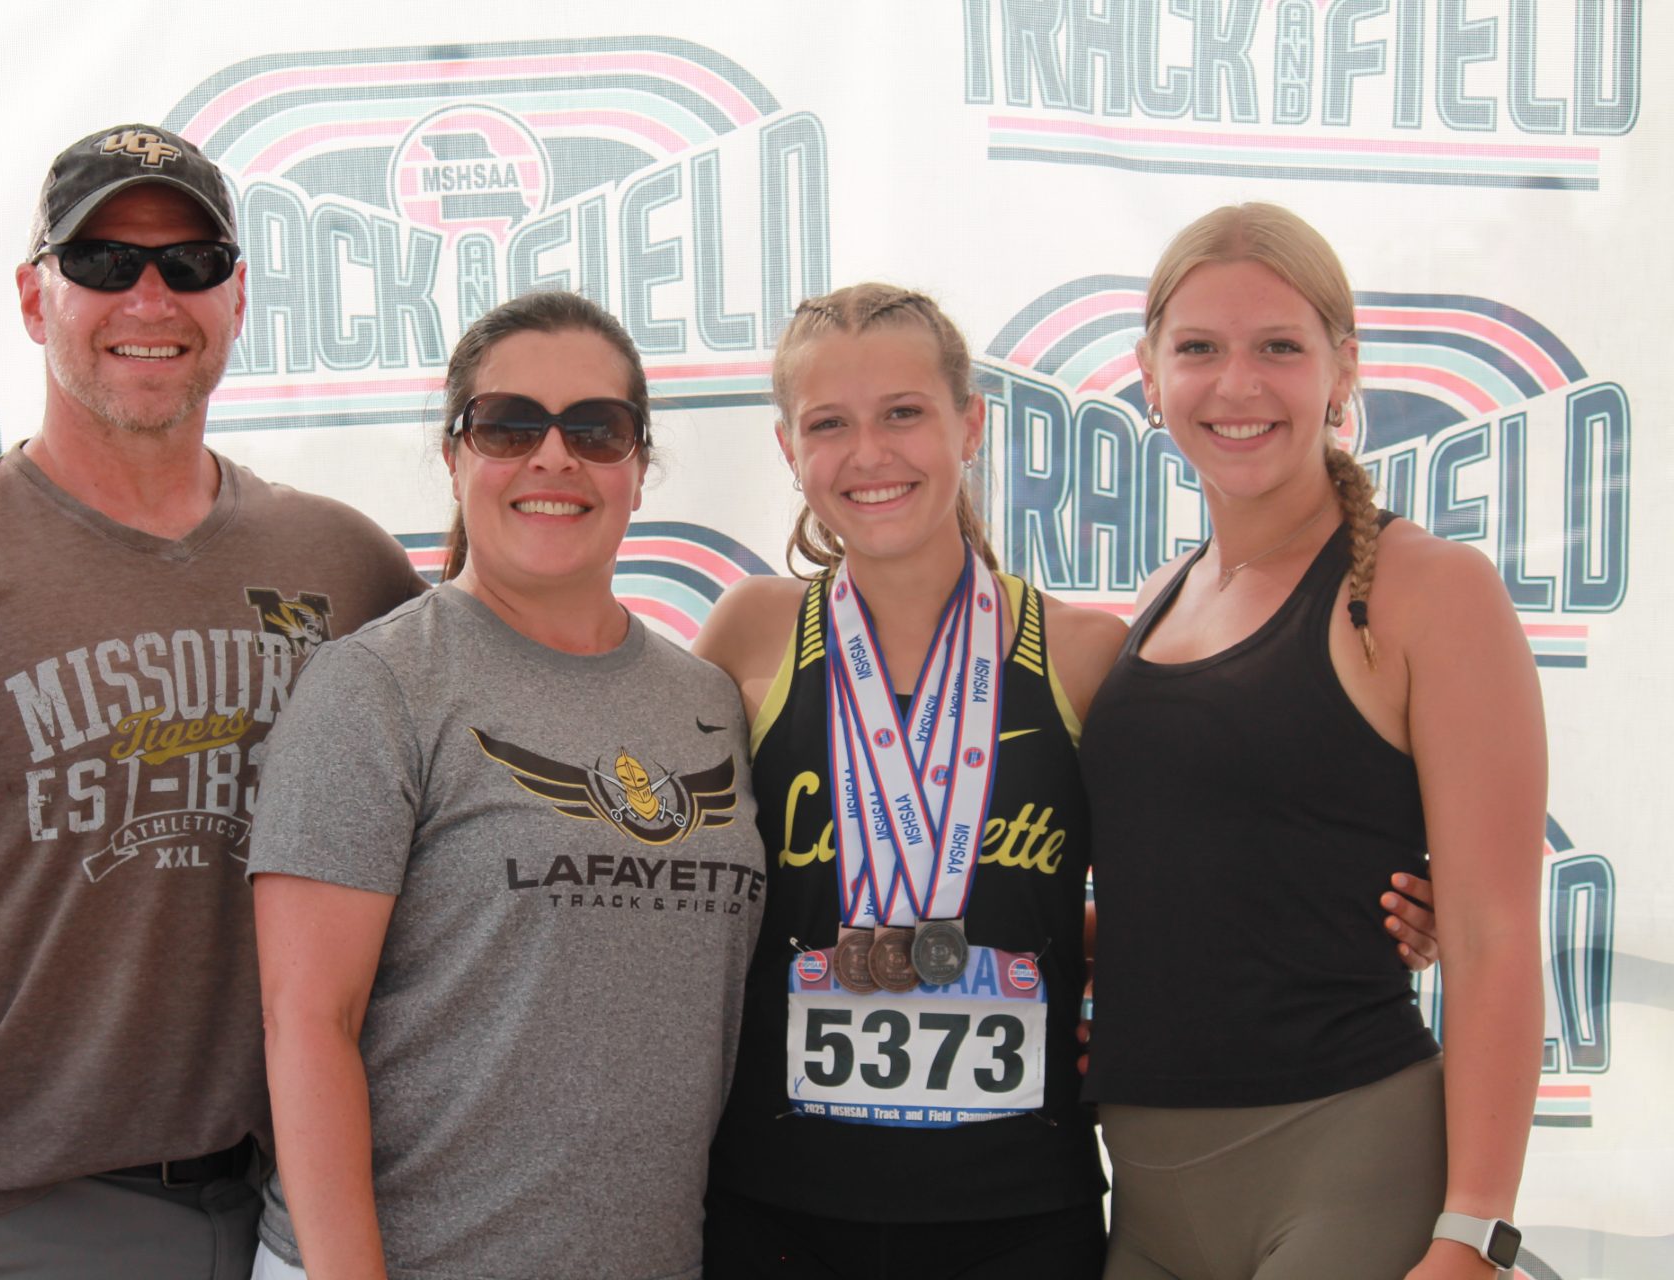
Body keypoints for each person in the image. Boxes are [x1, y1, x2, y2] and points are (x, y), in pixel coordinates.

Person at [0, 123, 426, 1279]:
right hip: (8, 1210)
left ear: (237, 297)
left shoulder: (345, 565)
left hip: (287, 1211)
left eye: (191, 262)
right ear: (35, 298)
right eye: (103, 262)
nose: (149, 296)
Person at [690, 283, 1442, 1279]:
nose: (870, 452)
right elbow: (668, 881)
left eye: (904, 412)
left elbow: (1193, 874)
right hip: (780, 1202)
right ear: (789, 448)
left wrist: (1366, 907)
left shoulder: (1084, 653)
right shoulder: (750, 633)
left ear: (971, 425)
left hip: (1019, 1210)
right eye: (830, 423)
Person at [247, 290, 767, 1280]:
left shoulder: (705, 699)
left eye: (596, 429)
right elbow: (307, 1022)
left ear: (639, 467)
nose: (553, 457)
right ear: (454, 456)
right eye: (509, 425)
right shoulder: (378, 685)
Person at [1080, 203, 1544, 1280]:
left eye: (1279, 347)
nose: (1237, 385)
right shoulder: (1158, 597)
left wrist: (1475, 1233)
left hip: (1348, 1165)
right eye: (1200, 348)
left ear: (1343, 368)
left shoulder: (1429, 590)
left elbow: (1493, 934)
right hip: (1144, 1188)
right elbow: (1196, 876)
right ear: (1149, 373)